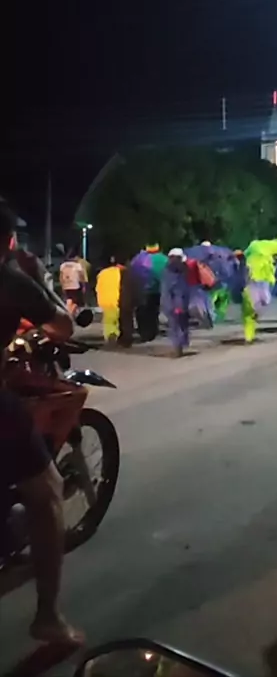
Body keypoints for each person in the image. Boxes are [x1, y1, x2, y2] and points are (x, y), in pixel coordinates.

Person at [0, 201, 83, 645]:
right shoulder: (11, 280)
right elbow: (62, 326)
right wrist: (36, 279)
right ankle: (48, 617)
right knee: (47, 491)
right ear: (9, 241)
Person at [161, 248, 190, 357]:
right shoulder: (181, 270)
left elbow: (165, 287)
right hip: (180, 301)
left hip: (167, 301)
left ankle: (177, 346)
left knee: (174, 325)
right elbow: (179, 289)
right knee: (182, 323)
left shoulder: (166, 269)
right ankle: (180, 345)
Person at [96, 256, 124, 343]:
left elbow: (98, 288)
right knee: (117, 318)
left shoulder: (102, 273)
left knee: (108, 319)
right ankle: (115, 333)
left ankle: (109, 334)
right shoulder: (120, 272)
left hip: (105, 300)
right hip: (117, 299)